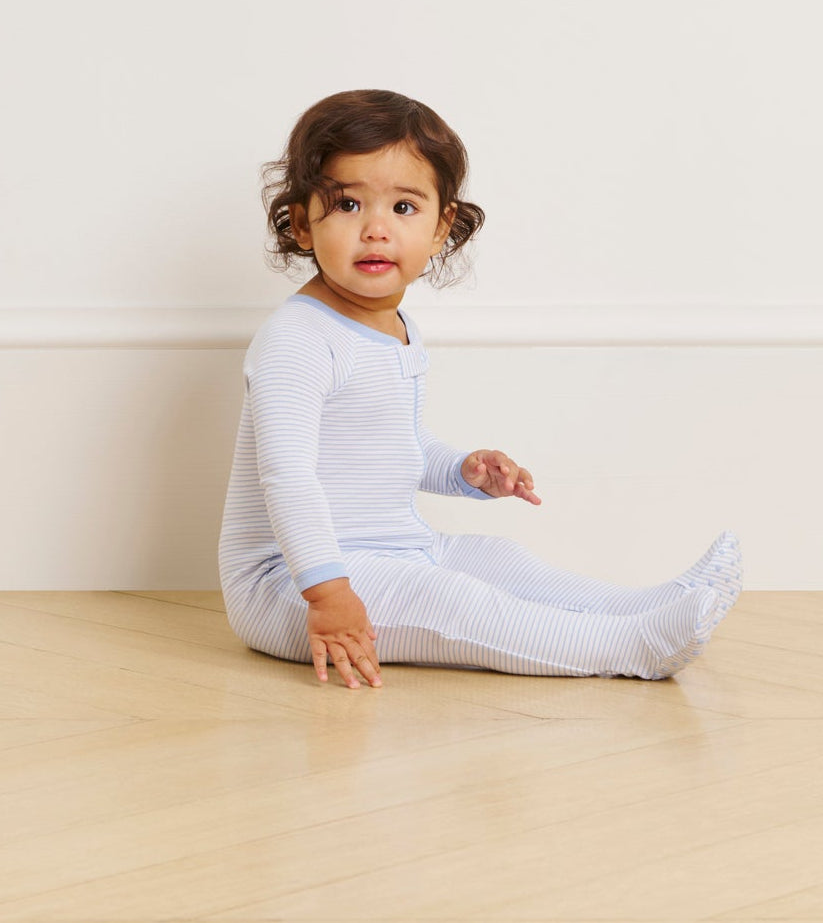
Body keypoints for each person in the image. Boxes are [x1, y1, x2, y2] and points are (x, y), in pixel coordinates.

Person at [219, 89, 742, 689]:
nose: (376, 230)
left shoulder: (398, 330)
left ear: (443, 227)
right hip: (289, 583)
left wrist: (460, 470)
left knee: (496, 559)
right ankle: (630, 646)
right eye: (346, 205)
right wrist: (329, 592)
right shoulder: (298, 339)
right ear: (301, 224)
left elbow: (397, 446)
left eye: (405, 208)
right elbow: (287, 476)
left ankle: (646, 605)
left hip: (391, 550)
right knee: (449, 599)